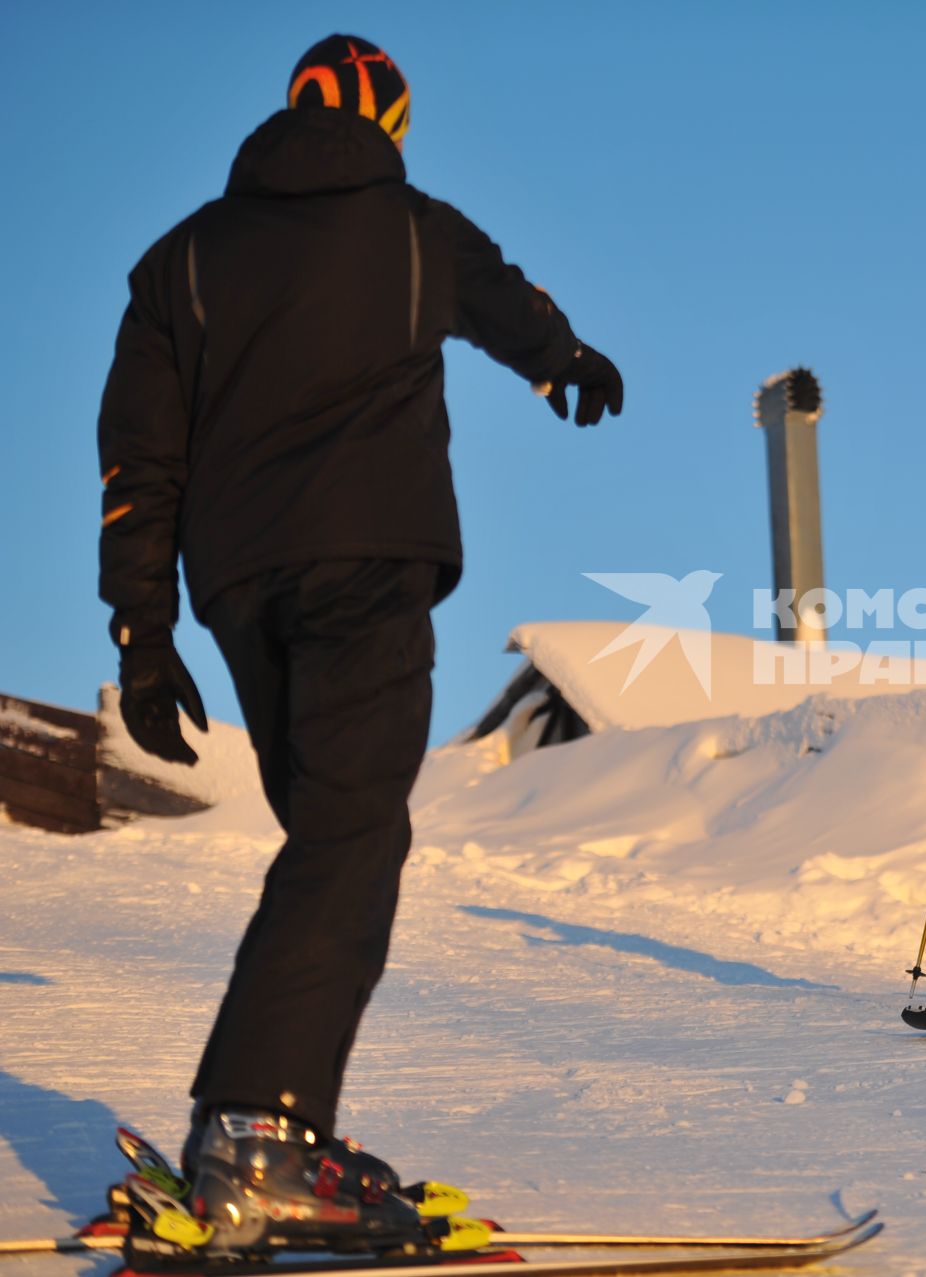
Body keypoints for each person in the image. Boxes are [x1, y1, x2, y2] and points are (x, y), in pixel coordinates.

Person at [97, 34, 623, 1251]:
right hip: (366, 566)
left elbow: (139, 460)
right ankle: (257, 1131)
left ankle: (282, 1116)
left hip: (237, 593)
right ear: (388, 118)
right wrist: (568, 363)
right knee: (352, 834)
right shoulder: (410, 224)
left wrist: (143, 629)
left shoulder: (178, 259)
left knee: (332, 832)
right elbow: (511, 301)